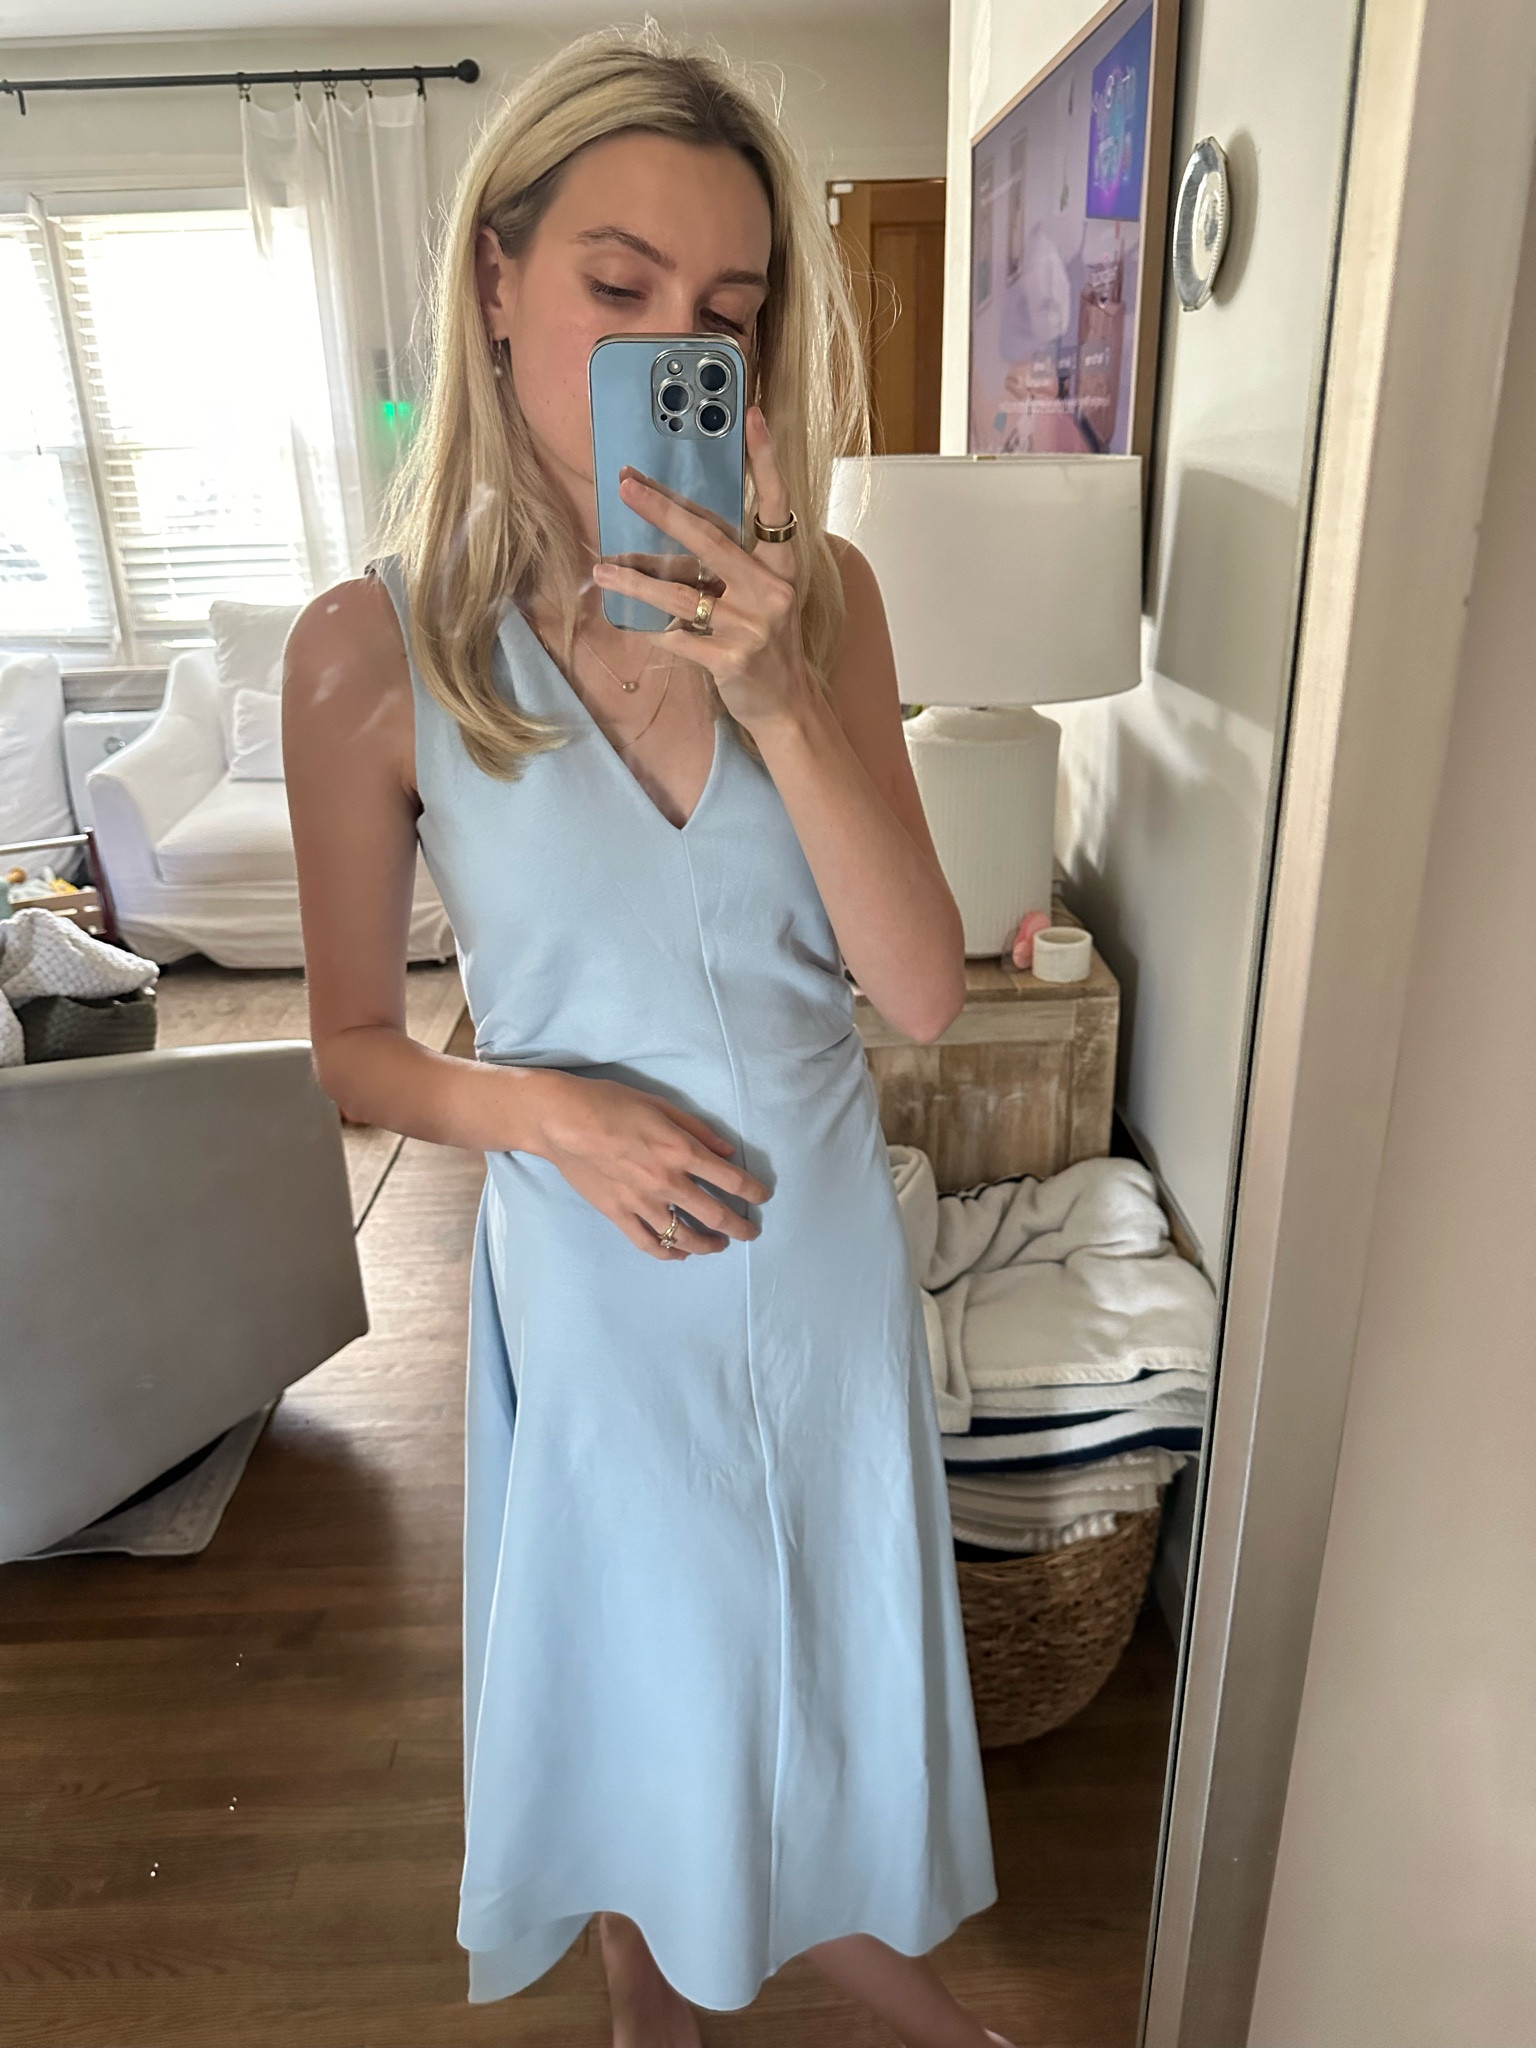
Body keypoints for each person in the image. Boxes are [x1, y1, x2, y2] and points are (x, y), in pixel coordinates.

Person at [283, 25, 1015, 2048]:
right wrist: (551, 1117)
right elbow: (349, 1047)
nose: (677, 347)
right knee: (639, 1704)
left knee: (816, 1696)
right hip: (593, 1273)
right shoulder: (368, 652)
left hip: (821, 1255)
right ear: (496, 278)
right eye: (619, 287)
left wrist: (778, 685)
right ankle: (653, 2016)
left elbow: (924, 991)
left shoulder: (825, 602)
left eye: (728, 312)